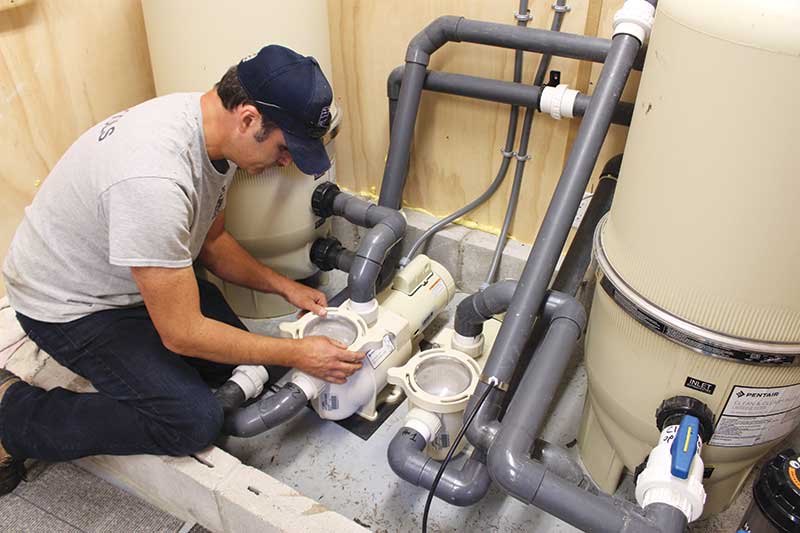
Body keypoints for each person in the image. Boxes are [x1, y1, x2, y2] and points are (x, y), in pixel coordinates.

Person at [0, 45, 364, 495]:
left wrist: (286, 288)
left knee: (249, 366)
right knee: (192, 420)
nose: (287, 162)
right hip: (71, 306)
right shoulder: (154, 179)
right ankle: (13, 415)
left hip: (133, 283)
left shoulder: (213, 136)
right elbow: (181, 332)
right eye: (285, 148)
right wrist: (297, 354)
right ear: (249, 119)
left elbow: (212, 244)